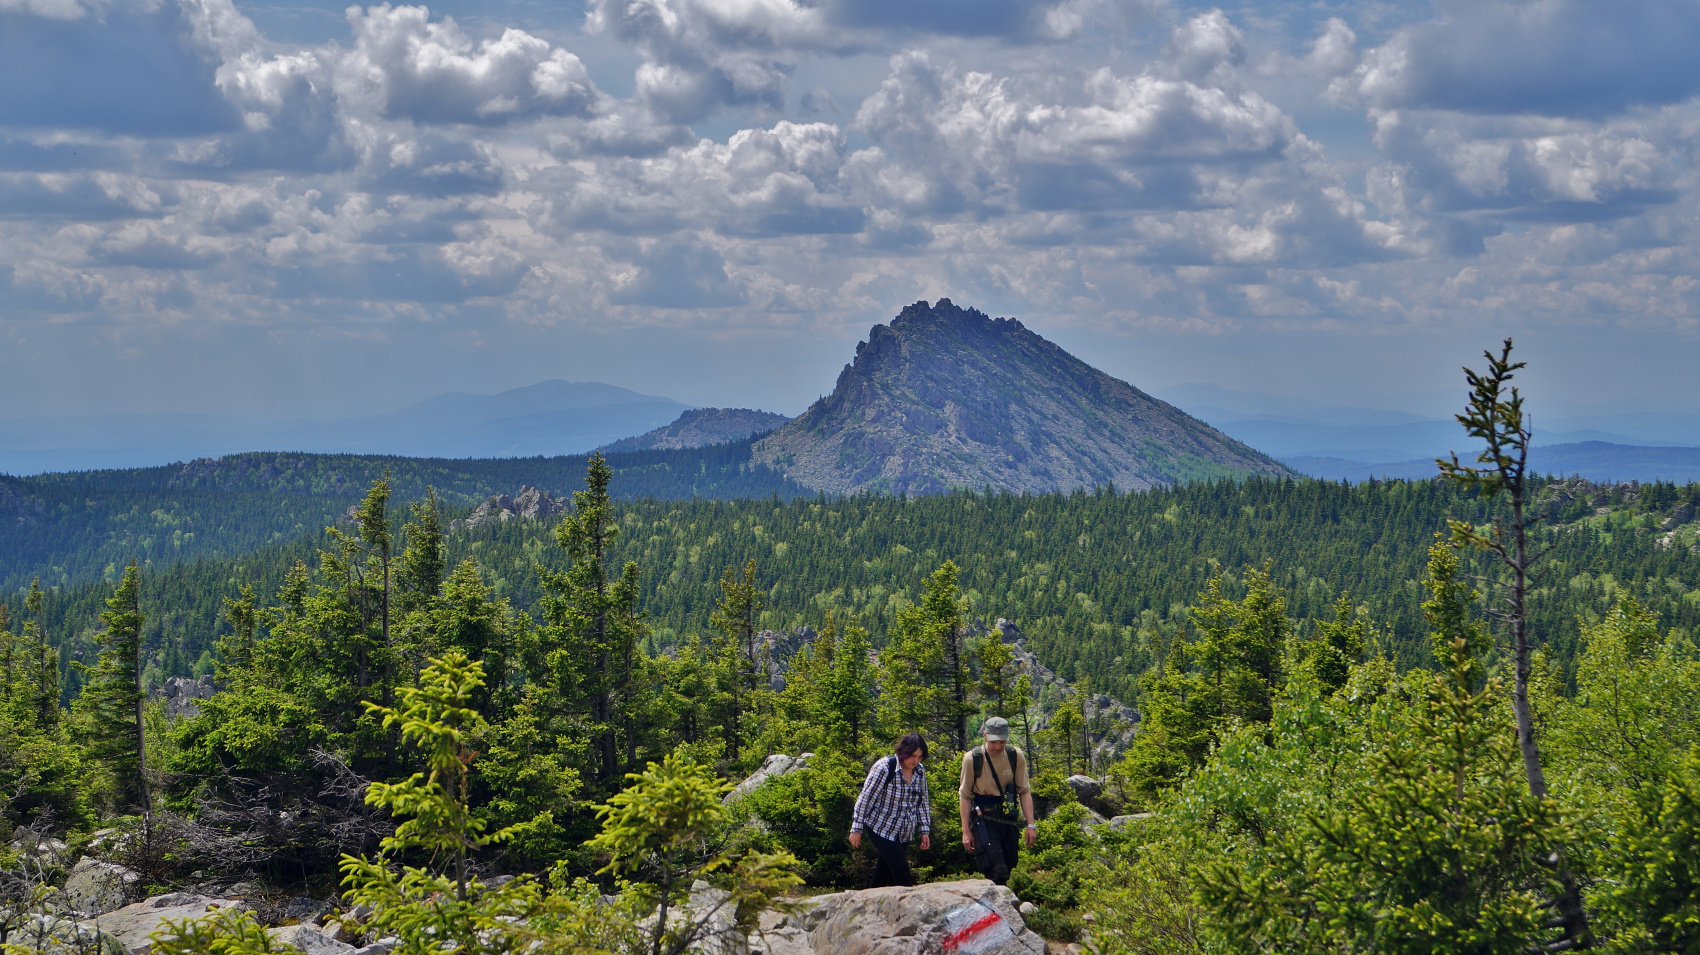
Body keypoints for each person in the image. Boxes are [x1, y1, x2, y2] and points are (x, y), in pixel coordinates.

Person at [958, 716, 1036, 885]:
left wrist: (1031, 825)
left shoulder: (1015, 756)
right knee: (996, 869)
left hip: (1008, 820)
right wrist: (966, 831)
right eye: (994, 742)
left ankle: (999, 907)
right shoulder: (972, 759)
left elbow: (1024, 791)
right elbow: (965, 795)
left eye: (1002, 742)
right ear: (985, 736)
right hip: (983, 820)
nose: (998, 746)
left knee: (1009, 865)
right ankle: (997, 908)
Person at [849, 731, 933, 888]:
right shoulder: (885, 767)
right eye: (913, 756)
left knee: (884, 871)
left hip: (905, 831)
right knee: (901, 869)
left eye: (920, 757)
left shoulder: (920, 771)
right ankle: (909, 906)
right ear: (904, 752)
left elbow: (922, 802)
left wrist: (924, 830)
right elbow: (866, 797)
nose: (916, 760)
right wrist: (857, 827)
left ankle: (872, 903)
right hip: (881, 826)